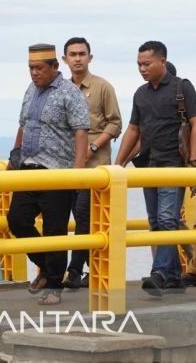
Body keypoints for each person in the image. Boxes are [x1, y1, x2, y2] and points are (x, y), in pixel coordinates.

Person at [115, 41, 196, 297]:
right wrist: (117, 164)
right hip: (149, 164)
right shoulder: (140, 94)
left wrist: (194, 161)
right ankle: (173, 277)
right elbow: (133, 129)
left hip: (174, 165)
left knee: (167, 219)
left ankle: (160, 273)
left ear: (162, 61)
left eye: (147, 64)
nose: (142, 68)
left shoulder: (181, 87)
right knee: (155, 222)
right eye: (139, 64)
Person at [7, 44, 89, 305]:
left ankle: (53, 285)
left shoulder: (69, 93)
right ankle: (46, 265)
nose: (34, 73)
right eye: (30, 68)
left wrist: (77, 172)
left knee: (55, 229)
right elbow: (23, 125)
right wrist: (14, 156)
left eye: (39, 68)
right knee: (17, 220)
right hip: (28, 168)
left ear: (55, 67)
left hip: (57, 171)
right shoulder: (30, 90)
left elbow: (81, 132)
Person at [61, 38, 122, 290]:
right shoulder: (60, 89)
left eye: (82, 54)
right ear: (64, 59)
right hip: (66, 165)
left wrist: (93, 146)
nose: (77, 58)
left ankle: (74, 270)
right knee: (72, 217)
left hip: (95, 166)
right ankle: (85, 269)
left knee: (86, 216)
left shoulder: (102, 87)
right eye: (72, 54)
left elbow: (115, 123)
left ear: (90, 57)